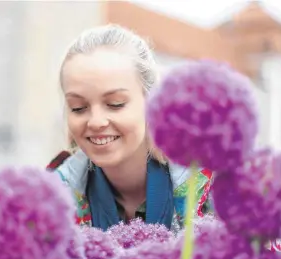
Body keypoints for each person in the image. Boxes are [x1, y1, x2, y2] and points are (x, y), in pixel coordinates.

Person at [47, 24, 213, 232]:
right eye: (78, 107)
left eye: (115, 104)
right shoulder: (49, 201)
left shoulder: (219, 191)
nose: (96, 122)